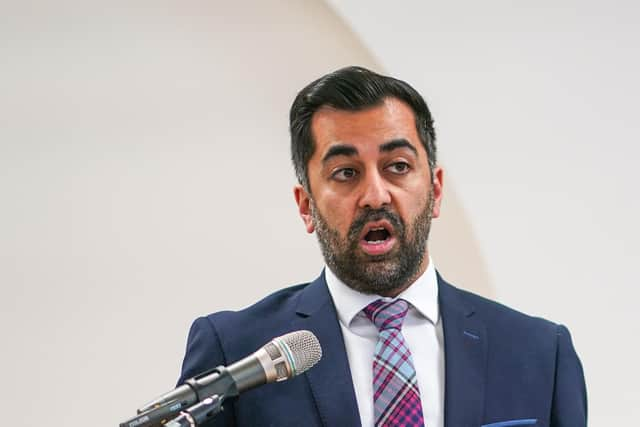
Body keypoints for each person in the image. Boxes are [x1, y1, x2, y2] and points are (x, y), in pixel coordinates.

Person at [177, 66, 587, 427]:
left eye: (398, 167)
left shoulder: (539, 353)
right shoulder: (237, 353)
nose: (375, 195)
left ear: (436, 190)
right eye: (345, 172)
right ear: (306, 206)